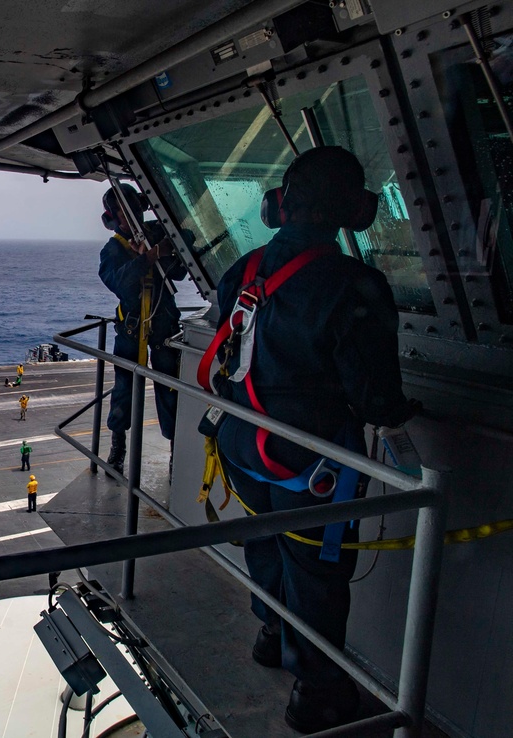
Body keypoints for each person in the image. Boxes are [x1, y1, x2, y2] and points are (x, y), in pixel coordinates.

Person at [205, 146, 414, 733]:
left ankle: (271, 633)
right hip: (308, 459)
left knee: (264, 542)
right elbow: (375, 397)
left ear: (282, 206)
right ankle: (315, 694)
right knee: (317, 571)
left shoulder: (243, 271)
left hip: (245, 444)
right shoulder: (355, 285)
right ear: (351, 209)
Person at [99, 183, 188, 474]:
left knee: (170, 387)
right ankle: (118, 448)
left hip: (162, 324)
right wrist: (148, 257)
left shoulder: (157, 235)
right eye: (124, 213)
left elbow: (180, 270)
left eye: (133, 209)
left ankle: (176, 451)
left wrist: (163, 250)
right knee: (124, 388)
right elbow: (119, 284)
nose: (130, 217)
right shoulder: (112, 250)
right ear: (114, 217)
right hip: (131, 329)